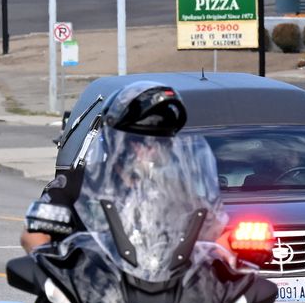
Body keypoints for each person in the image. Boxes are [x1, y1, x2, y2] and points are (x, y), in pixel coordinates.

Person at [20, 82, 194, 252]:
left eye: (162, 142)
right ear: (117, 142)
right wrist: (50, 264)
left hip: (156, 278)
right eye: (143, 141)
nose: (153, 149)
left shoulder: (175, 191)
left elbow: (206, 235)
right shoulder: (77, 183)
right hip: (90, 277)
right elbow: (33, 235)